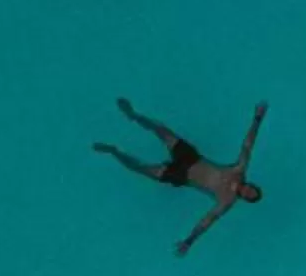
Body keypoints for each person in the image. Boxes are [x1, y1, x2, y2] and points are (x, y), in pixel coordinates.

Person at [94, 97, 266, 256]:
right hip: (190, 157)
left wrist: (190, 240)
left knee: (139, 168)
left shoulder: (227, 200)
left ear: (244, 198)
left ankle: (113, 151)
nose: (248, 191)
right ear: (251, 184)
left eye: (249, 195)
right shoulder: (239, 170)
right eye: (252, 190)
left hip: (181, 175)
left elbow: (208, 220)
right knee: (161, 129)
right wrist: (257, 119)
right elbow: (247, 146)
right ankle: (133, 115)